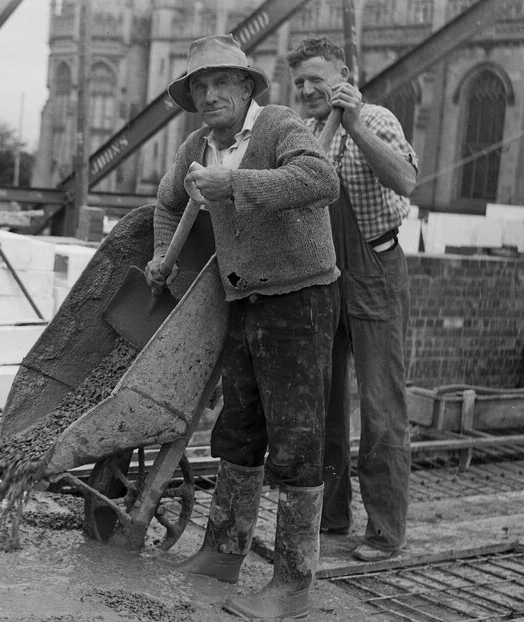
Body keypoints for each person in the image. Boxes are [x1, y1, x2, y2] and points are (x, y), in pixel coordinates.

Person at [148, 35, 340, 619]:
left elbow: (320, 180)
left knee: (297, 439)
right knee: (239, 429)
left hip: (300, 297)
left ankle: (292, 584)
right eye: (200, 87)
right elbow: (164, 204)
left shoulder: (279, 125)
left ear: (246, 87)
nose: (210, 95)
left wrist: (233, 185)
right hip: (242, 298)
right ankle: (224, 550)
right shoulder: (198, 146)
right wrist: (163, 256)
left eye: (221, 83)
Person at [287, 37, 418, 563]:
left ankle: (386, 532)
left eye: (317, 77)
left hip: (375, 270)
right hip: (322, 275)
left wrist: (356, 124)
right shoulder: (303, 135)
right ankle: (332, 518)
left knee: (382, 408)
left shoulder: (378, 118)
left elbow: (407, 179)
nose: (307, 89)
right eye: (299, 82)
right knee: (325, 405)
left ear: (342, 74)